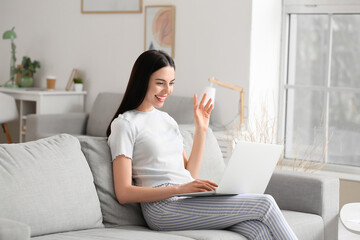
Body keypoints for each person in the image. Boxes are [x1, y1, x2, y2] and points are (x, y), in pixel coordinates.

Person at [106, 50, 298, 240]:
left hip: (186, 199)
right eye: (160, 83)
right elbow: (123, 192)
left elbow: (190, 175)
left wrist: (201, 130)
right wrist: (178, 189)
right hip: (161, 209)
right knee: (265, 203)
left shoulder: (168, 121)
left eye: (171, 83)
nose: (167, 91)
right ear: (142, 80)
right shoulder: (125, 124)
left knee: (257, 230)